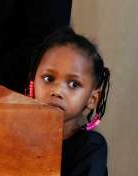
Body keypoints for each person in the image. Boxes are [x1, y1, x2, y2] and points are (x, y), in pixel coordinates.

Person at [26, 27, 110, 176]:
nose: (57, 91)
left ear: (92, 99)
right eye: (48, 79)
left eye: (73, 84)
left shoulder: (91, 148)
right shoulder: (15, 131)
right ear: (32, 84)